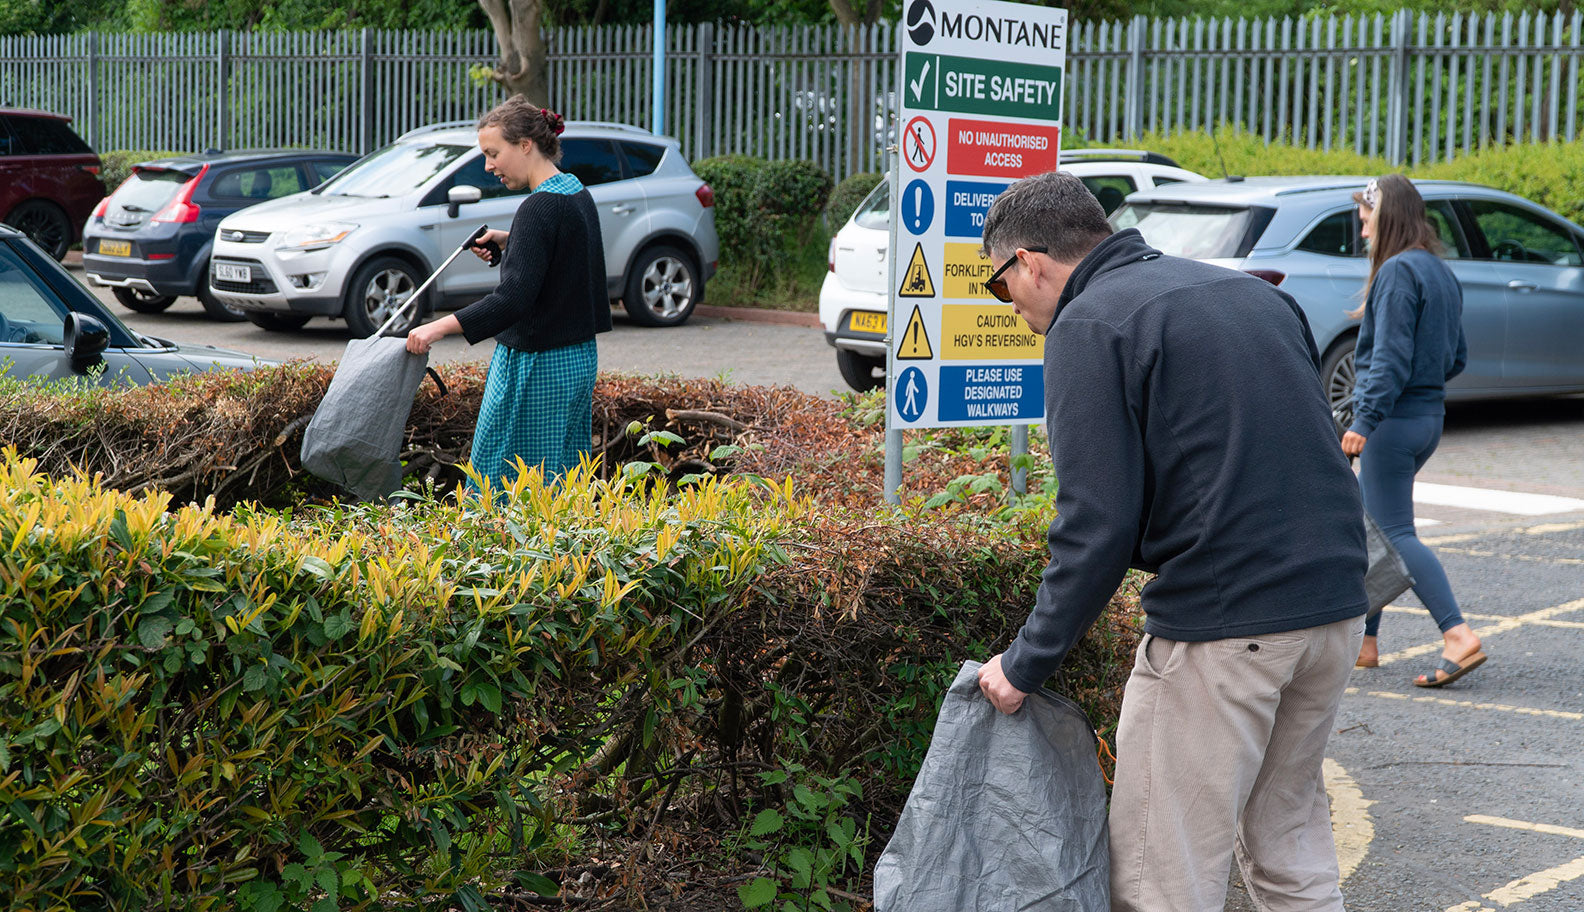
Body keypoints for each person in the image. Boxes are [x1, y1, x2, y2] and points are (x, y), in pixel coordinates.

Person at [972, 172, 1369, 912]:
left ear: (1028, 262)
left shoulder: (1090, 324)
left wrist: (1024, 664)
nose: (1012, 306)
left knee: (1164, 874)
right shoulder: (1253, 294)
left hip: (1226, 625)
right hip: (1338, 607)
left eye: (999, 287)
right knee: (1289, 845)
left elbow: (1096, 524)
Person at [406, 96, 610, 492]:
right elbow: (563, 254)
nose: (488, 165)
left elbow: (512, 301)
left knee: (503, 486)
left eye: (493, 153)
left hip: (537, 365)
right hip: (576, 360)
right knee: (561, 486)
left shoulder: (537, 208)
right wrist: (511, 240)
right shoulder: (575, 193)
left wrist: (437, 328)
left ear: (525, 145)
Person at [1344, 175, 1482, 687]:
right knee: (1372, 526)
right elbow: (1457, 356)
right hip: (1427, 418)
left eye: (1366, 217)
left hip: (1393, 423)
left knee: (1395, 534)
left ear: (1388, 216)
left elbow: (1389, 358)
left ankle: (1458, 634)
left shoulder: (1398, 272)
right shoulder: (1437, 270)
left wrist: (1364, 420)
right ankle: (1365, 642)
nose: (1362, 229)